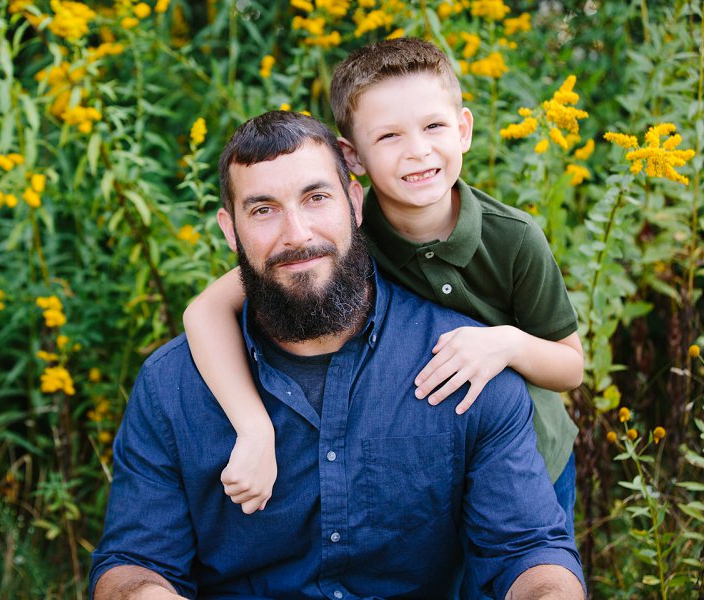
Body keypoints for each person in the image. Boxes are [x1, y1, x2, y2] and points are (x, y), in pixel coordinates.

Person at [89, 110, 585, 599]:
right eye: (263, 210)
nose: (297, 234)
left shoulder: (468, 364)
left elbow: (528, 550)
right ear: (230, 230)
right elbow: (135, 564)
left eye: (316, 198)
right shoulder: (172, 385)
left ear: (354, 202)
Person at [183, 39, 583, 536]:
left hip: (533, 458)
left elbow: (570, 366)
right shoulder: (344, 233)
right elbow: (204, 312)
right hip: (432, 466)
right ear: (353, 157)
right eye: (389, 136)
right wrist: (254, 427)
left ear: (463, 130)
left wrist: (505, 342)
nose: (418, 150)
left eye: (434, 126)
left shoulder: (514, 238)